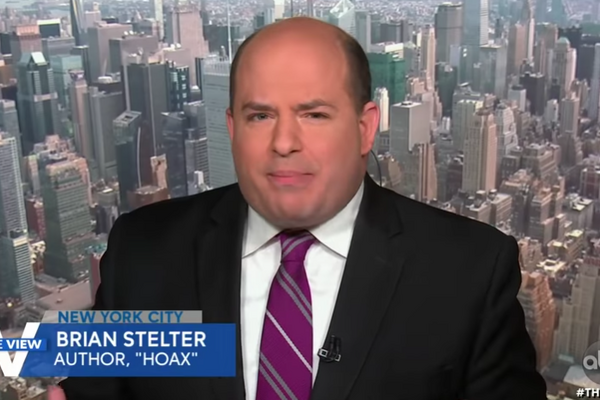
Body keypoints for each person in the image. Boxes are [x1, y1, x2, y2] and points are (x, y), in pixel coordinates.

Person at [52, 16, 547, 400]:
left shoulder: (470, 271)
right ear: (232, 128)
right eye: (260, 116)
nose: (284, 142)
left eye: (314, 114)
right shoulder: (144, 251)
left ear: (365, 128)